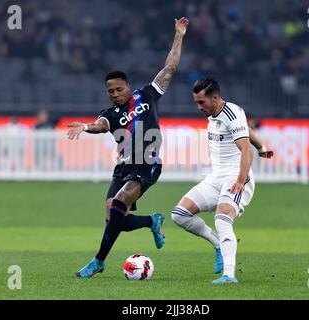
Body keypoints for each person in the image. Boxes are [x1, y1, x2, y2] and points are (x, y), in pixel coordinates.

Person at [67, 17, 189, 278]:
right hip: (123, 167)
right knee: (114, 219)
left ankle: (98, 261)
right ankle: (151, 221)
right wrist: (86, 127)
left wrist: (179, 35)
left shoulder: (147, 94)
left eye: (118, 89)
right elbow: (100, 125)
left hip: (148, 163)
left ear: (127, 87)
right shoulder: (109, 114)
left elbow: (170, 67)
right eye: (110, 91)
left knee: (120, 202)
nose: (114, 94)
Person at [170, 76, 273, 284]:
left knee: (222, 219)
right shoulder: (215, 113)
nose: (199, 107)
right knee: (179, 214)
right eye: (196, 102)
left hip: (236, 176)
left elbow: (245, 150)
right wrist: (261, 147)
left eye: (201, 102)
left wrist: (240, 180)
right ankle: (217, 243)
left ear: (215, 98)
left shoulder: (231, 113)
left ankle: (229, 274)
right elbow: (246, 129)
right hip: (215, 178)